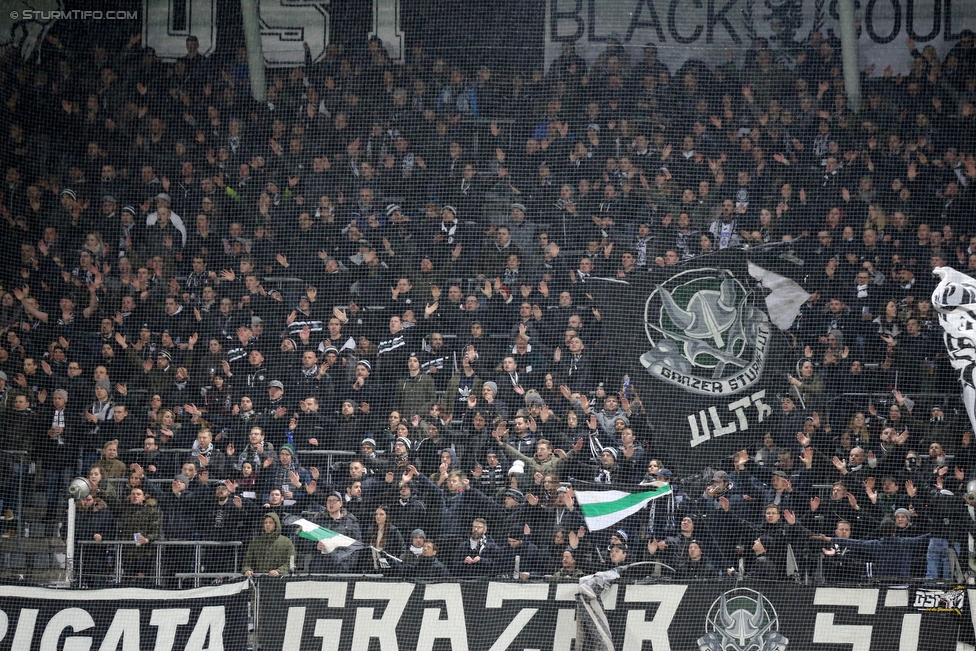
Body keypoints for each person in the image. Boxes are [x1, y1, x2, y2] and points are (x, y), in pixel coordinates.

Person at [243, 513, 294, 577]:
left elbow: (291, 562)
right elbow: (247, 561)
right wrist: (247, 570)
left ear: (276, 524)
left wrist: (279, 571)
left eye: (271, 522)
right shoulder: (255, 542)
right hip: (258, 579)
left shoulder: (286, 542)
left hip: (279, 579)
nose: (267, 524)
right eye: (265, 522)